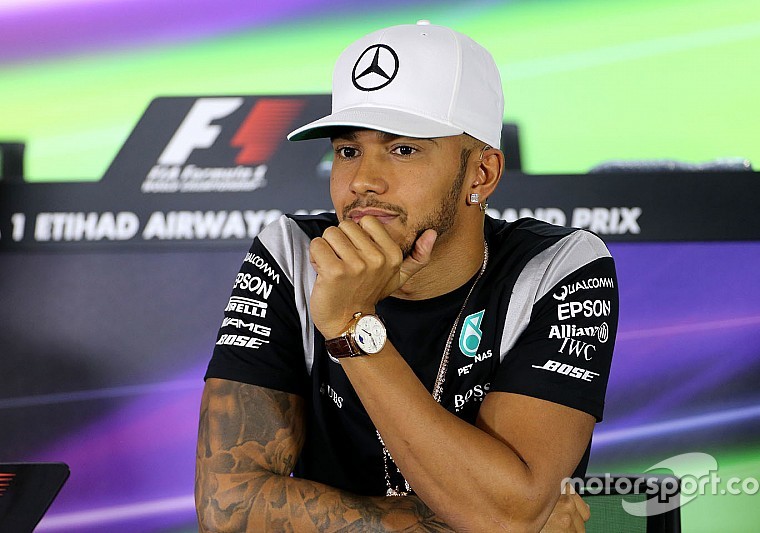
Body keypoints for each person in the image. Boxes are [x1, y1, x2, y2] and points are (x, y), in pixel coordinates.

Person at [196, 21, 618, 532]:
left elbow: (505, 516)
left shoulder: (558, 266)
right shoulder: (293, 253)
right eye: (348, 151)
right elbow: (226, 509)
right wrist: (451, 522)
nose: (362, 182)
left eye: (403, 150)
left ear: (480, 173)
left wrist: (352, 327)